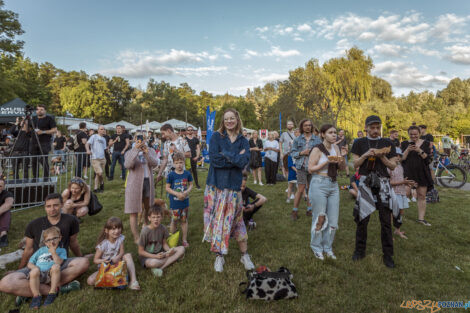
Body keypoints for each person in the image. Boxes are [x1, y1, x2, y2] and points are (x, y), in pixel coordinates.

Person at [0, 193, 88, 302]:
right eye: (48, 206)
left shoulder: (71, 220)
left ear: (61, 205)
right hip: (38, 265)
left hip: (59, 262)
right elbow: (28, 249)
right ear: (45, 207)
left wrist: (81, 256)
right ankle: (58, 289)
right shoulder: (34, 224)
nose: (52, 209)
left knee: (84, 262)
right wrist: (19, 270)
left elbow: (73, 242)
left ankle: (28, 290)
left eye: (55, 205)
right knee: (5, 283)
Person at [203, 108, 254, 273]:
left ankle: (244, 254)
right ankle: (219, 256)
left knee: (237, 220)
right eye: (226, 119)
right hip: (216, 185)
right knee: (218, 221)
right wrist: (234, 157)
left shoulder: (243, 140)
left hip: (233, 187)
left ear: (237, 119)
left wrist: (226, 155)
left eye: (232, 118)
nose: (229, 121)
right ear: (223, 122)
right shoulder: (217, 137)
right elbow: (214, 160)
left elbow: (244, 161)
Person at [351, 115, 397, 268]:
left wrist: (382, 157)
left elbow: (392, 166)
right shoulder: (359, 143)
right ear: (366, 128)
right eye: (372, 127)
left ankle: (388, 255)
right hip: (365, 182)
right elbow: (354, 164)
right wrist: (366, 154)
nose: (375, 130)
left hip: (383, 183)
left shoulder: (388, 143)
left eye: (378, 127)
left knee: (385, 221)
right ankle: (359, 250)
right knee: (363, 219)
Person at [307, 124, 347, 260]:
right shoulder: (317, 149)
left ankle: (327, 247)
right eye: (330, 132)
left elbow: (341, 168)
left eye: (335, 132)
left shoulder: (336, 148)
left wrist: (342, 159)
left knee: (334, 220)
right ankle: (316, 247)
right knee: (320, 217)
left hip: (333, 184)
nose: (334, 135)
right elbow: (310, 169)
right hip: (319, 183)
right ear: (323, 134)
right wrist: (327, 162)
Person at [87, 217, 140, 290]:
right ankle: (114, 281)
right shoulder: (103, 244)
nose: (117, 231)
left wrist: (118, 257)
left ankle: (133, 281)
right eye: (113, 229)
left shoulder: (120, 238)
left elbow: (122, 252)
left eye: (119, 228)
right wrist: (104, 260)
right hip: (106, 267)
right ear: (106, 230)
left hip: (118, 264)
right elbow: (95, 260)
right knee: (90, 281)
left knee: (128, 255)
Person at [125, 139, 159, 243]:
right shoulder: (129, 152)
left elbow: (154, 164)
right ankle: (136, 237)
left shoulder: (150, 150)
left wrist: (147, 153)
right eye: (137, 139)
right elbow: (127, 165)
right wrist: (135, 150)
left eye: (142, 139)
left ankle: (148, 228)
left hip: (148, 182)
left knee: (149, 208)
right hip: (134, 184)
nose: (140, 142)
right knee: (133, 211)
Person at [138, 205, 185, 277]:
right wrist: (155, 256)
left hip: (161, 254)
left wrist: (169, 250)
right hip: (148, 257)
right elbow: (140, 251)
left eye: (158, 217)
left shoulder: (163, 228)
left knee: (182, 249)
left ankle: (161, 268)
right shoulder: (145, 231)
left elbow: (164, 244)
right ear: (149, 218)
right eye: (153, 217)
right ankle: (172, 260)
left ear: (162, 218)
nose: (156, 219)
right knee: (153, 263)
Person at [401, 126, 433, 226]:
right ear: (408, 134)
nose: (413, 136)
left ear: (419, 133)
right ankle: (398, 218)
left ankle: (421, 219)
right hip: (408, 172)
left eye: (415, 134)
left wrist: (419, 150)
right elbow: (401, 159)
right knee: (404, 194)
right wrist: (407, 150)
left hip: (422, 172)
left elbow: (428, 159)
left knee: (421, 195)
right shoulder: (404, 144)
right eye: (411, 134)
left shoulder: (426, 143)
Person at [27, 226, 66, 309]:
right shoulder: (41, 250)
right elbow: (30, 263)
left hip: (51, 274)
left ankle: (52, 292)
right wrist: (35, 268)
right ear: (45, 242)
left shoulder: (62, 250)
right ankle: (36, 296)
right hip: (38, 274)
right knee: (33, 271)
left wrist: (53, 252)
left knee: (56, 266)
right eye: (48, 240)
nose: (52, 241)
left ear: (60, 238)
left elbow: (59, 262)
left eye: (54, 238)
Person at [290, 118, 322, 220]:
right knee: (300, 189)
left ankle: (309, 209)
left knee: (311, 190)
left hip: (313, 168)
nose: (308, 127)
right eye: (305, 125)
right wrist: (302, 153)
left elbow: (322, 153)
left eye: (309, 125)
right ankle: (294, 211)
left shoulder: (317, 139)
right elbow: (293, 153)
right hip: (301, 167)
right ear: (302, 127)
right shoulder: (297, 139)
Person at [166, 152, 193, 248]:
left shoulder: (187, 174)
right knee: (174, 221)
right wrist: (177, 193)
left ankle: (184, 239)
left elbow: (191, 185)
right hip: (175, 204)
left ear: (184, 163)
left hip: (185, 203)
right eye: (177, 163)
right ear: (173, 163)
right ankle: (172, 238)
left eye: (181, 162)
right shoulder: (171, 175)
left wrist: (187, 192)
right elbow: (167, 188)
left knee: (184, 221)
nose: (179, 165)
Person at [388, 149, 415, 239]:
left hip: (401, 192)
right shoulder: (388, 168)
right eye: (396, 155)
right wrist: (402, 182)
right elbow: (388, 182)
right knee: (392, 214)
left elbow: (400, 180)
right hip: (393, 193)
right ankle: (388, 233)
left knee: (400, 212)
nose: (398, 157)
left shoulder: (400, 167)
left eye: (400, 156)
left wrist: (407, 183)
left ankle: (397, 230)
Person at [30, 104, 57, 179]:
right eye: (38, 109)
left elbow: (54, 130)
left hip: (44, 143)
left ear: (45, 111)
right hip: (34, 142)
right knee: (34, 161)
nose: (39, 111)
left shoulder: (49, 119)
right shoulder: (33, 119)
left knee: (43, 160)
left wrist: (43, 132)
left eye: (41, 109)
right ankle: (35, 177)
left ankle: (46, 177)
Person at [86, 125, 107, 193]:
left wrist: (109, 147)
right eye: (101, 129)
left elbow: (104, 149)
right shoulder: (94, 136)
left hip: (102, 158)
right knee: (100, 173)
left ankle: (95, 188)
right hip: (95, 158)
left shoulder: (104, 139)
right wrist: (88, 150)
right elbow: (87, 144)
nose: (103, 130)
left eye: (104, 129)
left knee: (98, 174)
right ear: (98, 130)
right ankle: (101, 184)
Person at [0, 177, 13, 247]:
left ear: (4, 187)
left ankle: (3, 235)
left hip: (1, 218)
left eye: (0, 186)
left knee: (6, 211)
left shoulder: (7, 194)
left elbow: (9, 204)